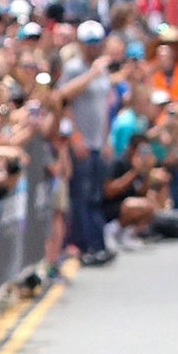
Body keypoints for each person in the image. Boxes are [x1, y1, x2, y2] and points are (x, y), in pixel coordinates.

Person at [57, 19, 117, 266]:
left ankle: (99, 244)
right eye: (88, 43)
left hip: (97, 141)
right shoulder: (74, 68)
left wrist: (106, 139)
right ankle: (86, 247)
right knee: (81, 197)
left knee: (95, 196)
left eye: (96, 43)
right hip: (81, 142)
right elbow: (63, 99)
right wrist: (75, 137)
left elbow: (102, 108)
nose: (93, 48)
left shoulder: (102, 70)